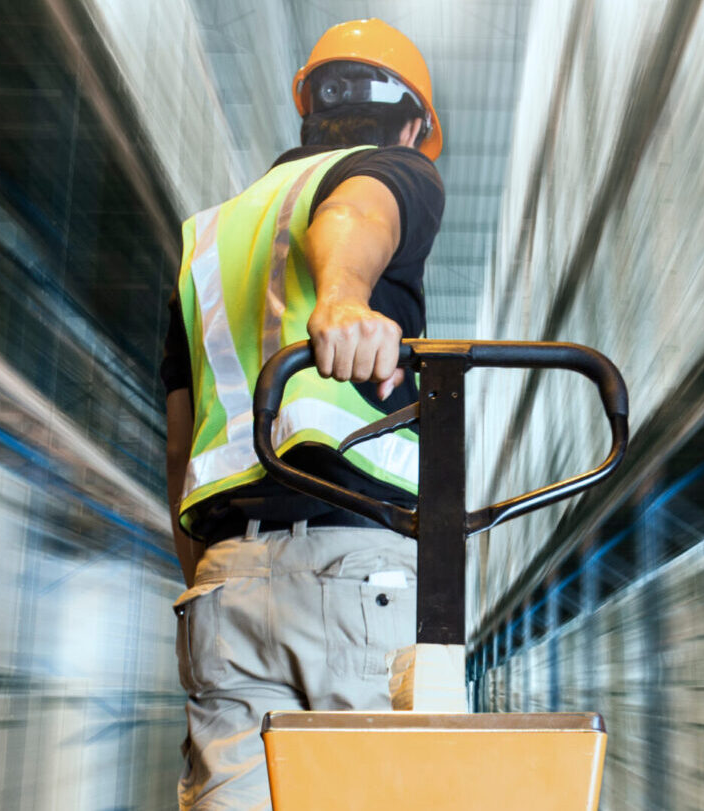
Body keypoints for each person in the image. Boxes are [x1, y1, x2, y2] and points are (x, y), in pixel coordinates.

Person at [159, 18, 445, 810]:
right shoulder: (397, 169)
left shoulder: (208, 237)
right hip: (357, 569)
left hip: (225, 580)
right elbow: (359, 211)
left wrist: (213, 581)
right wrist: (346, 297)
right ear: (416, 123)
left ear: (307, 113)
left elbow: (180, 441)